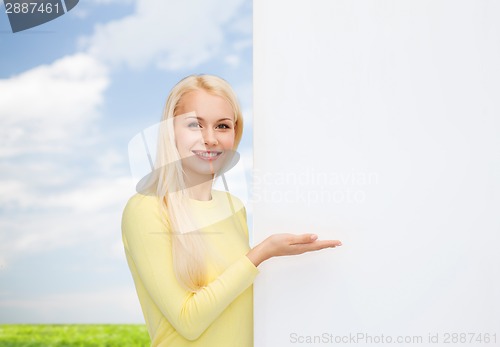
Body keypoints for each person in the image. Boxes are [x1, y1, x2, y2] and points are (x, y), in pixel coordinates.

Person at [121, 74, 342, 347]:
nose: (210, 138)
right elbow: (188, 321)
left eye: (222, 126)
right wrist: (261, 253)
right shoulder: (146, 208)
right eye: (194, 124)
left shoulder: (233, 207)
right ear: (170, 131)